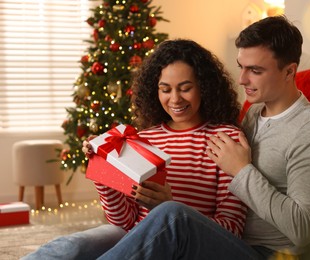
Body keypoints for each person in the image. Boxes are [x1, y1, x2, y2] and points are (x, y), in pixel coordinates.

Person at [92, 15, 310, 260]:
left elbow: (303, 229)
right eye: (241, 66)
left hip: (267, 254)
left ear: (289, 71)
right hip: (226, 243)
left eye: (255, 70)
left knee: (174, 216)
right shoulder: (254, 113)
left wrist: (242, 171)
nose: (242, 79)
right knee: (84, 243)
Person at [22, 39, 247, 259]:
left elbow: (231, 229)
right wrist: (103, 171)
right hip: (135, 240)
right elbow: (124, 222)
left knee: (168, 216)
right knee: (71, 245)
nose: (175, 99)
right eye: (165, 89)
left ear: (204, 87)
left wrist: (172, 205)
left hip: (186, 245)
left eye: (185, 88)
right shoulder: (142, 140)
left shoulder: (225, 139)